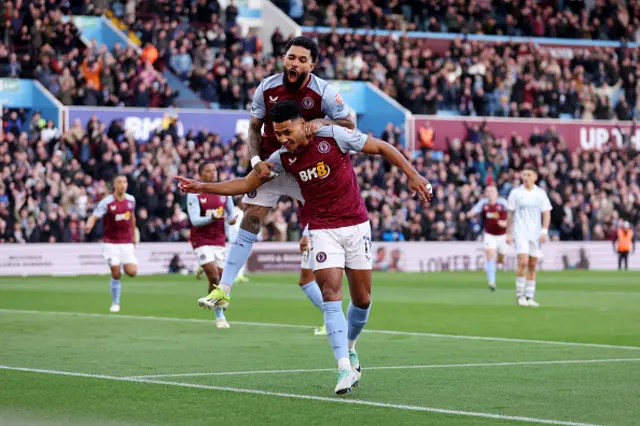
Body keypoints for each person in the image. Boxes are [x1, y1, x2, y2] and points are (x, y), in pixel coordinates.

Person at [175, 100, 432, 395]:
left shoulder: (334, 137)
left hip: (356, 226)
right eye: (278, 134)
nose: (283, 139)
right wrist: (202, 186)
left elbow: (383, 147)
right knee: (331, 295)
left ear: (302, 124)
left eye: (286, 132)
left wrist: (413, 175)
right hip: (322, 230)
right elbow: (246, 185)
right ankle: (343, 367)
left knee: (361, 299)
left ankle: (350, 346)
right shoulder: (282, 158)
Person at [197, 36, 356, 314]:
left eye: (302, 60)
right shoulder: (266, 87)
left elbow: (349, 123)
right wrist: (256, 160)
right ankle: (225, 288)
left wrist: (320, 122)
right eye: (291, 57)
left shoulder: (324, 92)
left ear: (312, 65)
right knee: (252, 218)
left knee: (324, 221)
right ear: (283, 58)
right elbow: (254, 127)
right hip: (273, 164)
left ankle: (336, 295)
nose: (295, 63)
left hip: (307, 167)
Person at [187, 162, 237, 328]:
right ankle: (219, 315)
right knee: (214, 276)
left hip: (219, 240)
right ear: (201, 175)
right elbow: (194, 220)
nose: (213, 173)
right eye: (208, 171)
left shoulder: (223, 192)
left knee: (221, 280)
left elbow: (231, 214)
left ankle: (204, 266)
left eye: (214, 170)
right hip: (200, 240)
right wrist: (212, 218)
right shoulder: (194, 194)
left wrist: (232, 219)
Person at [85, 175, 138, 313]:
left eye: (125, 182)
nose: (123, 185)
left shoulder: (131, 200)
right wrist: (89, 224)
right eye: (119, 182)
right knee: (115, 272)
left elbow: (132, 218)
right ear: (114, 185)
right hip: (110, 243)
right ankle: (115, 303)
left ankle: (120, 265)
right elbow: (95, 216)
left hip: (126, 241)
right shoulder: (107, 202)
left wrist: (134, 236)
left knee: (132, 272)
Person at [506, 165, 552, 308]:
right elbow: (510, 213)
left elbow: (546, 212)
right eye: (524, 175)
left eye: (529, 175)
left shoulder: (540, 194)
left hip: (535, 234)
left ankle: (529, 296)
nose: (526, 178)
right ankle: (520, 295)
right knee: (523, 262)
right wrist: (508, 232)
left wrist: (544, 231)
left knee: (533, 264)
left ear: (535, 177)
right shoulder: (515, 193)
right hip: (521, 232)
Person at [465, 185, 509, 291]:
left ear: (496, 193)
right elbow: (473, 211)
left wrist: (506, 223)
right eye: (488, 191)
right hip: (489, 234)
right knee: (489, 255)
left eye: (492, 191)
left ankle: (499, 261)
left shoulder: (502, 203)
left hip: (502, 235)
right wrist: (468, 214)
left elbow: (512, 214)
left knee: (501, 257)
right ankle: (491, 282)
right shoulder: (483, 203)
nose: (490, 193)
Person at [298, 204, 325, 335]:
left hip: (316, 232)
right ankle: (333, 319)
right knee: (308, 280)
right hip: (318, 231)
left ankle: (333, 319)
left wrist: (305, 234)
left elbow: (317, 206)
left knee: (309, 280)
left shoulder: (304, 186)